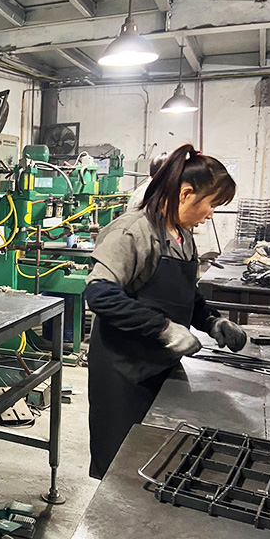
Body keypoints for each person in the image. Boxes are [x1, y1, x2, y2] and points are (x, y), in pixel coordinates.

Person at [84, 144, 247, 480]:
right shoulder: (133, 232)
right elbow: (100, 294)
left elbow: (187, 295)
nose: (211, 214)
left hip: (162, 364)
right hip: (123, 370)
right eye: (211, 204)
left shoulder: (182, 236)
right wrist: (164, 328)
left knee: (157, 458)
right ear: (186, 194)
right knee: (119, 467)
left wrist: (211, 321)